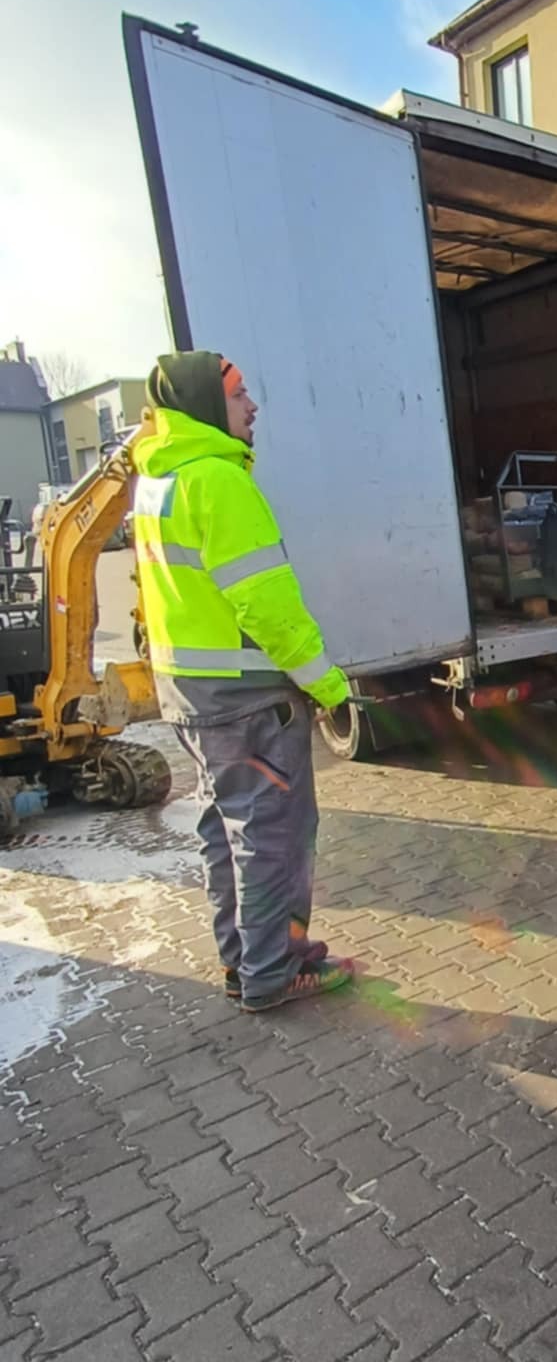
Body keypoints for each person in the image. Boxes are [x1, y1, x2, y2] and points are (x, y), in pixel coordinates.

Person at [131, 351, 356, 1011]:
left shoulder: (158, 481)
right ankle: (274, 972)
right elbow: (267, 606)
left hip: (192, 697)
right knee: (273, 838)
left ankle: (245, 962)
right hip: (248, 699)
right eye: (239, 394)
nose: (252, 405)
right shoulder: (216, 481)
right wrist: (329, 686)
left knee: (229, 834)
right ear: (206, 406)